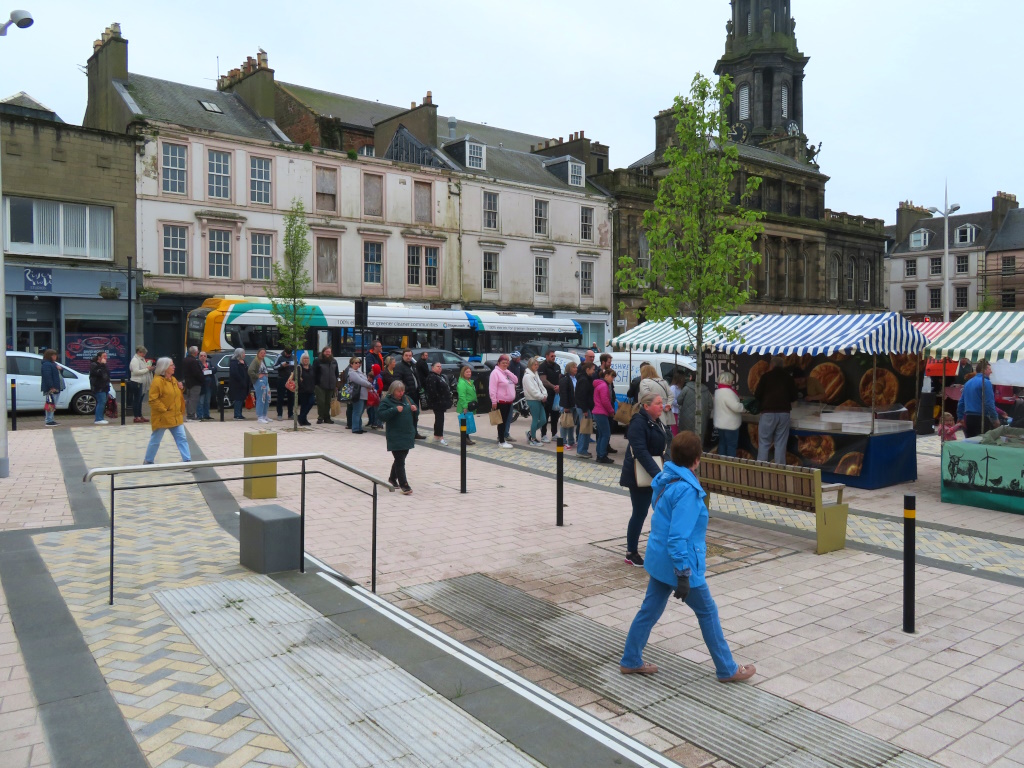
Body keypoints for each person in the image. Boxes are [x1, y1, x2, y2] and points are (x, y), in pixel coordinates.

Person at [619, 431, 755, 683]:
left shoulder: (665, 479)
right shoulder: (687, 492)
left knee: (648, 611)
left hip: (658, 560)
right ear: (697, 460)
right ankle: (727, 669)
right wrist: (682, 574)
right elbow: (678, 538)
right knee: (708, 612)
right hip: (679, 564)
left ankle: (630, 659)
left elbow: (663, 519)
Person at [620, 392, 670, 566]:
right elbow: (640, 452)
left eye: (662, 403)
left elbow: (663, 448)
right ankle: (631, 552)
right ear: (646, 406)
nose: (661, 406)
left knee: (661, 512)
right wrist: (659, 475)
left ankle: (661, 549)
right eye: (657, 403)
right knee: (640, 513)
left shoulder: (656, 422)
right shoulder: (638, 423)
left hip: (655, 474)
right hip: (639, 476)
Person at [142, 357, 191, 464]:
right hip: (162, 416)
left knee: (182, 439)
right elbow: (153, 400)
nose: (174, 367)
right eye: (171, 365)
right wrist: (164, 409)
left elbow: (176, 394)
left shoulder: (173, 379)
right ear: (164, 367)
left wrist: (181, 388)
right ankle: (148, 461)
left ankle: (187, 460)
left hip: (175, 416)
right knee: (156, 440)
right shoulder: (157, 382)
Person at [754, 356, 798, 463]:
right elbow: (794, 397)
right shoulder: (788, 377)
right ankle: (779, 472)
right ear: (782, 366)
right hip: (784, 414)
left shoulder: (765, 377)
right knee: (780, 444)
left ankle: (761, 470)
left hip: (767, 413)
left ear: (771, 365)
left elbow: (757, 394)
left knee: (764, 443)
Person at [377, 380, 417, 495]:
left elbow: (415, 413)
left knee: (401, 458)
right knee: (400, 460)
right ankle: (404, 484)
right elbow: (381, 415)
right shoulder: (387, 401)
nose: (401, 393)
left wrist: (415, 409)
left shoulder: (407, 399)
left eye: (402, 391)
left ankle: (392, 478)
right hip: (395, 435)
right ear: (393, 391)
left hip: (407, 433)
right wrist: (394, 409)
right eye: (399, 391)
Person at [957, 360, 999, 437]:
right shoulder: (986, 382)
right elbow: (989, 403)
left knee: (971, 442)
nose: (991, 372)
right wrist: (995, 418)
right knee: (982, 443)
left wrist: (960, 417)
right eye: (989, 369)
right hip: (981, 418)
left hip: (969, 418)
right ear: (984, 370)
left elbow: (961, 402)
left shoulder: (968, 383)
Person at [395, 349, 426, 439]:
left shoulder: (413, 366)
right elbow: (397, 381)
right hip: (406, 395)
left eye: (410, 355)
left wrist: (419, 388)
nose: (408, 357)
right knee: (407, 415)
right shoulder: (399, 366)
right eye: (406, 355)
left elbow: (417, 378)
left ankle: (414, 432)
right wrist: (405, 390)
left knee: (415, 414)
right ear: (403, 356)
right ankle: (407, 433)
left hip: (415, 394)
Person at [713, 371, 745, 458]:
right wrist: (744, 407)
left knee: (722, 444)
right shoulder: (728, 392)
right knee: (731, 446)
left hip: (720, 423)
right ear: (728, 380)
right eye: (731, 380)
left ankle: (722, 466)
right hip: (730, 424)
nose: (732, 382)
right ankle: (730, 468)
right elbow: (736, 407)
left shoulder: (718, 391)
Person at [489, 354, 518, 448]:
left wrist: (507, 371)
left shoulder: (505, 372)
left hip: (509, 401)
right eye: (503, 363)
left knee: (506, 421)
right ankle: (501, 441)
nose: (505, 364)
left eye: (506, 363)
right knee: (501, 422)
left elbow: (516, 380)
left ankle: (503, 439)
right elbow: (492, 388)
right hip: (501, 401)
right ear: (498, 363)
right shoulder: (495, 373)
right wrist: (493, 401)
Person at [677, 371, 713, 437]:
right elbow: (710, 405)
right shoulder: (706, 391)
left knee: (685, 437)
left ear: (691, 378)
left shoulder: (686, 388)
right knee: (698, 438)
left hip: (686, 418)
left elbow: (679, 401)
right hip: (702, 418)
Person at [537, 349, 562, 442]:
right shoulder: (542, 367)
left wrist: (559, 386)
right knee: (545, 415)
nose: (554, 358)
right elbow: (543, 380)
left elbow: (560, 377)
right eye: (552, 356)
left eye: (554, 356)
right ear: (547, 356)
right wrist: (553, 386)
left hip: (556, 394)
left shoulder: (557, 366)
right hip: (546, 394)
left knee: (555, 415)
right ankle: (543, 434)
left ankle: (554, 433)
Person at [522, 357, 548, 446]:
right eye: (535, 365)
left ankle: (530, 432)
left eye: (537, 365)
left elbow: (541, 386)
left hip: (539, 399)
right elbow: (532, 390)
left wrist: (545, 395)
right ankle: (533, 438)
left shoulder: (535, 375)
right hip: (532, 400)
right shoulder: (527, 376)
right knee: (535, 420)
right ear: (530, 365)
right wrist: (541, 396)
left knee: (544, 419)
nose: (537, 366)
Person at [639, 365, 675, 430]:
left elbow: (646, 397)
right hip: (665, 412)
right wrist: (668, 405)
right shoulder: (663, 381)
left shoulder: (644, 382)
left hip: (652, 413)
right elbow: (671, 395)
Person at [593, 368, 617, 464]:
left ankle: (600, 454)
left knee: (601, 434)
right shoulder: (604, 386)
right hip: (601, 412)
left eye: (614, 377)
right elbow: (605, 401)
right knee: (606, 434)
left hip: (598, 412)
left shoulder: (599, 384)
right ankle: (602, 455)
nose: (612, 379)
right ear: (606, 375)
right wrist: (611, 411)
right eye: (612, 376)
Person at [425, 361, 452, 445]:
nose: (440, 368)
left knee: (439, 419)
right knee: (440, 419)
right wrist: (439, 400)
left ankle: (437, 435)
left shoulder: (440, 376)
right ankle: (440, 436)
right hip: (437, 402)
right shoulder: (432, 377)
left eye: (440, 366)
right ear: (432, 368)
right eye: (438, 366)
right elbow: (432, 391)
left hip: (441, 402)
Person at [313, 346, 340, 424]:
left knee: (328, 402)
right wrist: (315, 383)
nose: (328, 353)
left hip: (331, 385)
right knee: (321, 402)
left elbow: (336, 373)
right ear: (323, 352)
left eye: (329, 352)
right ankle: (320, 417)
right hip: (320, 385)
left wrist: (336, 383)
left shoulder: (334, 361)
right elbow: (314, 373)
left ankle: (327, 417)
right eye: (326, 352)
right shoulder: (317, 361)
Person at [345, 356, 372, 433]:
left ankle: (359, 427)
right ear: (351, 364)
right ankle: (355, 428)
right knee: (357, 411)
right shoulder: (352, 373)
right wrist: (370, 385)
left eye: (359, 363)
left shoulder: (359, 372)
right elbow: (360, 381)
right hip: (358, 395)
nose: (357, 364)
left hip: (363, 395)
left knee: (360, 412)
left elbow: (365, 380)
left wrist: (368, 384)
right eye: (355, 363)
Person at [575, 361, 596, 458]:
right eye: (593, 369)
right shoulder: (584, 380)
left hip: (585, 407)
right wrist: (584, 410)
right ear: (587, 369)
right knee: (585, 429)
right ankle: (582, 450)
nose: (594, 372)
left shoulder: (586, 378)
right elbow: (582, 396)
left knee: (585, 429)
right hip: (584, 408)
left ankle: (582, 449)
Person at [128, 346, 152, 423]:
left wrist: (149, 368)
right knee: (137, 400)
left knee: (140, 400)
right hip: (136, 382)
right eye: (143, 353)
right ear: (139, 352)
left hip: (142, 382)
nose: (144, 354)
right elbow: (135, 372)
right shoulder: (135, 360)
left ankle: (140, 415)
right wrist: (147, 369)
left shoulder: (141, 359)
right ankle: (136, 417)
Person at [40, 348, 63, 427]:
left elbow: (58, 374)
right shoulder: (47, 364)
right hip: (52, 388)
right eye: (54, 355)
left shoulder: (53, 364)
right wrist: (51, 387)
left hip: (56, 387)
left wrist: (60, 369)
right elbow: (47, 376)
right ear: (50, 356)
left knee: (53, 404)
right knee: (50, 404)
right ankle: (49, 420)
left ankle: (51, 419)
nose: (55, 357)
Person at [248, 348, 271, 424]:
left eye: (264, 353)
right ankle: (260, 416)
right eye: (261, 353)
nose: (263, 354)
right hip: (259, 381)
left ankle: (264, 415)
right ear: (258, 353)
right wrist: (257, 376)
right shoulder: (255, 361)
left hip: (265, 380)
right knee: (261, 398)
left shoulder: (262, 360)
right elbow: (250, 371)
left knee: (267, 397)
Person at [456, 364, 477, 446]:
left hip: (469, 406)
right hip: (465, 406)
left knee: (467, 422)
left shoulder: (469, 381)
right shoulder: (462, 383)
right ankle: (464, 439)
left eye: (470, 372)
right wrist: (465, 406)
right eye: (467, 372)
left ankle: (467, 438)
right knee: (464, 423)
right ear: (462, 373)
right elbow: (462, 396)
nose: (469, 373)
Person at [558, 362, 578, 449]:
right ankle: (563, 441)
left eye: (576, 367)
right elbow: (564, 393)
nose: (576, 369)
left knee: (571, 424)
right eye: (574, 367)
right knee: (565, 423)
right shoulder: (565, 379)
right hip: (567, 405)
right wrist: (565, 406)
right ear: (569, 368)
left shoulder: (575, 378)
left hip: (574, 404)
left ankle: (571, 441)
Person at [181, 346, 203, 421]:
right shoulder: (194, 361)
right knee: (193, 399)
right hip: (195, 383)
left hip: (187, 382)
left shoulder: (185, 360)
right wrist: (202, 378)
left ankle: (190, 414)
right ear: (196, 352)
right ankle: (191, 416)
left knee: (189, 399)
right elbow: (196, 373)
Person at [89, 351, 111, 425]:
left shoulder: (104, 365)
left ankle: (101, 417)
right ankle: (98, 419)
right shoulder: (94, 365)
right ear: (99, 357)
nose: (105, 358)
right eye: (104, 356)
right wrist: (102, 365)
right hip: (98, 386)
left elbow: (107, 374)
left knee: (103, 402)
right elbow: (98, 373)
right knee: (101, 402)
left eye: (106, 356)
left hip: (105, 386)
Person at [228, 348, 250, 420]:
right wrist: (241, 380)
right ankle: (237, 414)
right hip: (237, 384)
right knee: (238, 399)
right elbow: (234, 373)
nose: (244, 355)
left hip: (244, 382)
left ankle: (240, 413)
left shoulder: (243, 362)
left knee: (241, 398)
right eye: (243, 353)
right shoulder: (234, 362)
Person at [296, 353, 316, 426]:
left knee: (311, 402)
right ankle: (303, 420)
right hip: (302, 390)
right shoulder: (299, 368)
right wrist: (302, 386)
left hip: (311, 390)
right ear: (302, 359)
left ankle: (301, 417)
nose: (306, 360)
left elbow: (314, 378)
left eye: (307, 358)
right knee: (304, 405)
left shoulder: (311, 367)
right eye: (304, 358)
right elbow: (297, 379)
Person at [275, 348, 295, 422]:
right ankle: (279, 414)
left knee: (291, 397)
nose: (288, 355)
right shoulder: (280, 356)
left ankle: (290, 414)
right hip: (281, 379)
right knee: (280, 397)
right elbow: (274, 366)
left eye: (289, 354)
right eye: (287, 354)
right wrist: (282, 365)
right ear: (284, 352)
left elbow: (297, 366)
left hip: (290, 379)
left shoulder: (293, 356)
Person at [668, 371, 687, 437]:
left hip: (677, 412)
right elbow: (672, 400)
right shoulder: (673, 388)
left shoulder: (679, 388)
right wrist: (680, 404)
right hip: (674, 412)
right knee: (674, 431)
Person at [367, 363, 384, 429]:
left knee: (377, 410)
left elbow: (381, 386)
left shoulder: (378, 377)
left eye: (372, 370)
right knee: (375, 410)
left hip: (377, 396)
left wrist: (377, 392)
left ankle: (379, 423)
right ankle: (376, 422)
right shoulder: (376, 377)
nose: (371, 371)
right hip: (375, 396)